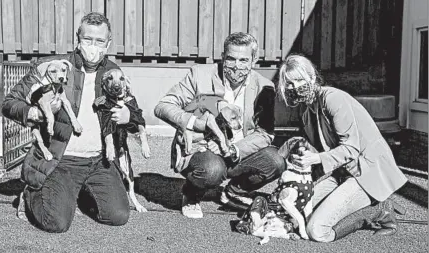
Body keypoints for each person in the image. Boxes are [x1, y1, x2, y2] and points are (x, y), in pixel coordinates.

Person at [2, 12, 145, 232]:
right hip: (62, 159)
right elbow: (10, 102)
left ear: (108, 42)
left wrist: (129, 117)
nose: (93, 46)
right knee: (56, 223)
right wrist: (34, 113)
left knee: (117, 216)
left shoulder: (112, 72)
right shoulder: (54, 67)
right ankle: (30, 193)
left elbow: (136, 114)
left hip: (98, 161)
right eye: (88, 40)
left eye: (99, 41)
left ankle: (75, 194)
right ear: (77, 39)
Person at [276, 54, 407, 242]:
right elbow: (317, 148)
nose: (295, 87)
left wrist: (317, 158)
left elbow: (351, 148)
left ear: (312, 76)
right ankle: (357, 203)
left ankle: (378, 210)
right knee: (296, 209)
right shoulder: (306, 111)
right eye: (289, 83)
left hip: (365, 171)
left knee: (317, 231)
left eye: (299, 79)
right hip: (341, 172)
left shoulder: (333, 99)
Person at [154, 32, 286, 219]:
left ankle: (234, 192)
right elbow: (163, 106)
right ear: (223, 57)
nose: (236, 66)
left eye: (243, 60)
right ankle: (191, 194)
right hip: (201, 149)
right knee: (212, 169)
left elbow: (265, 133)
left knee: (276, 161)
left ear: (254, 60)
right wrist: (196, 124)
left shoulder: (264, 87)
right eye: (231, 59)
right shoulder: (200, 74)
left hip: (238, 151)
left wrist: (234, 149)